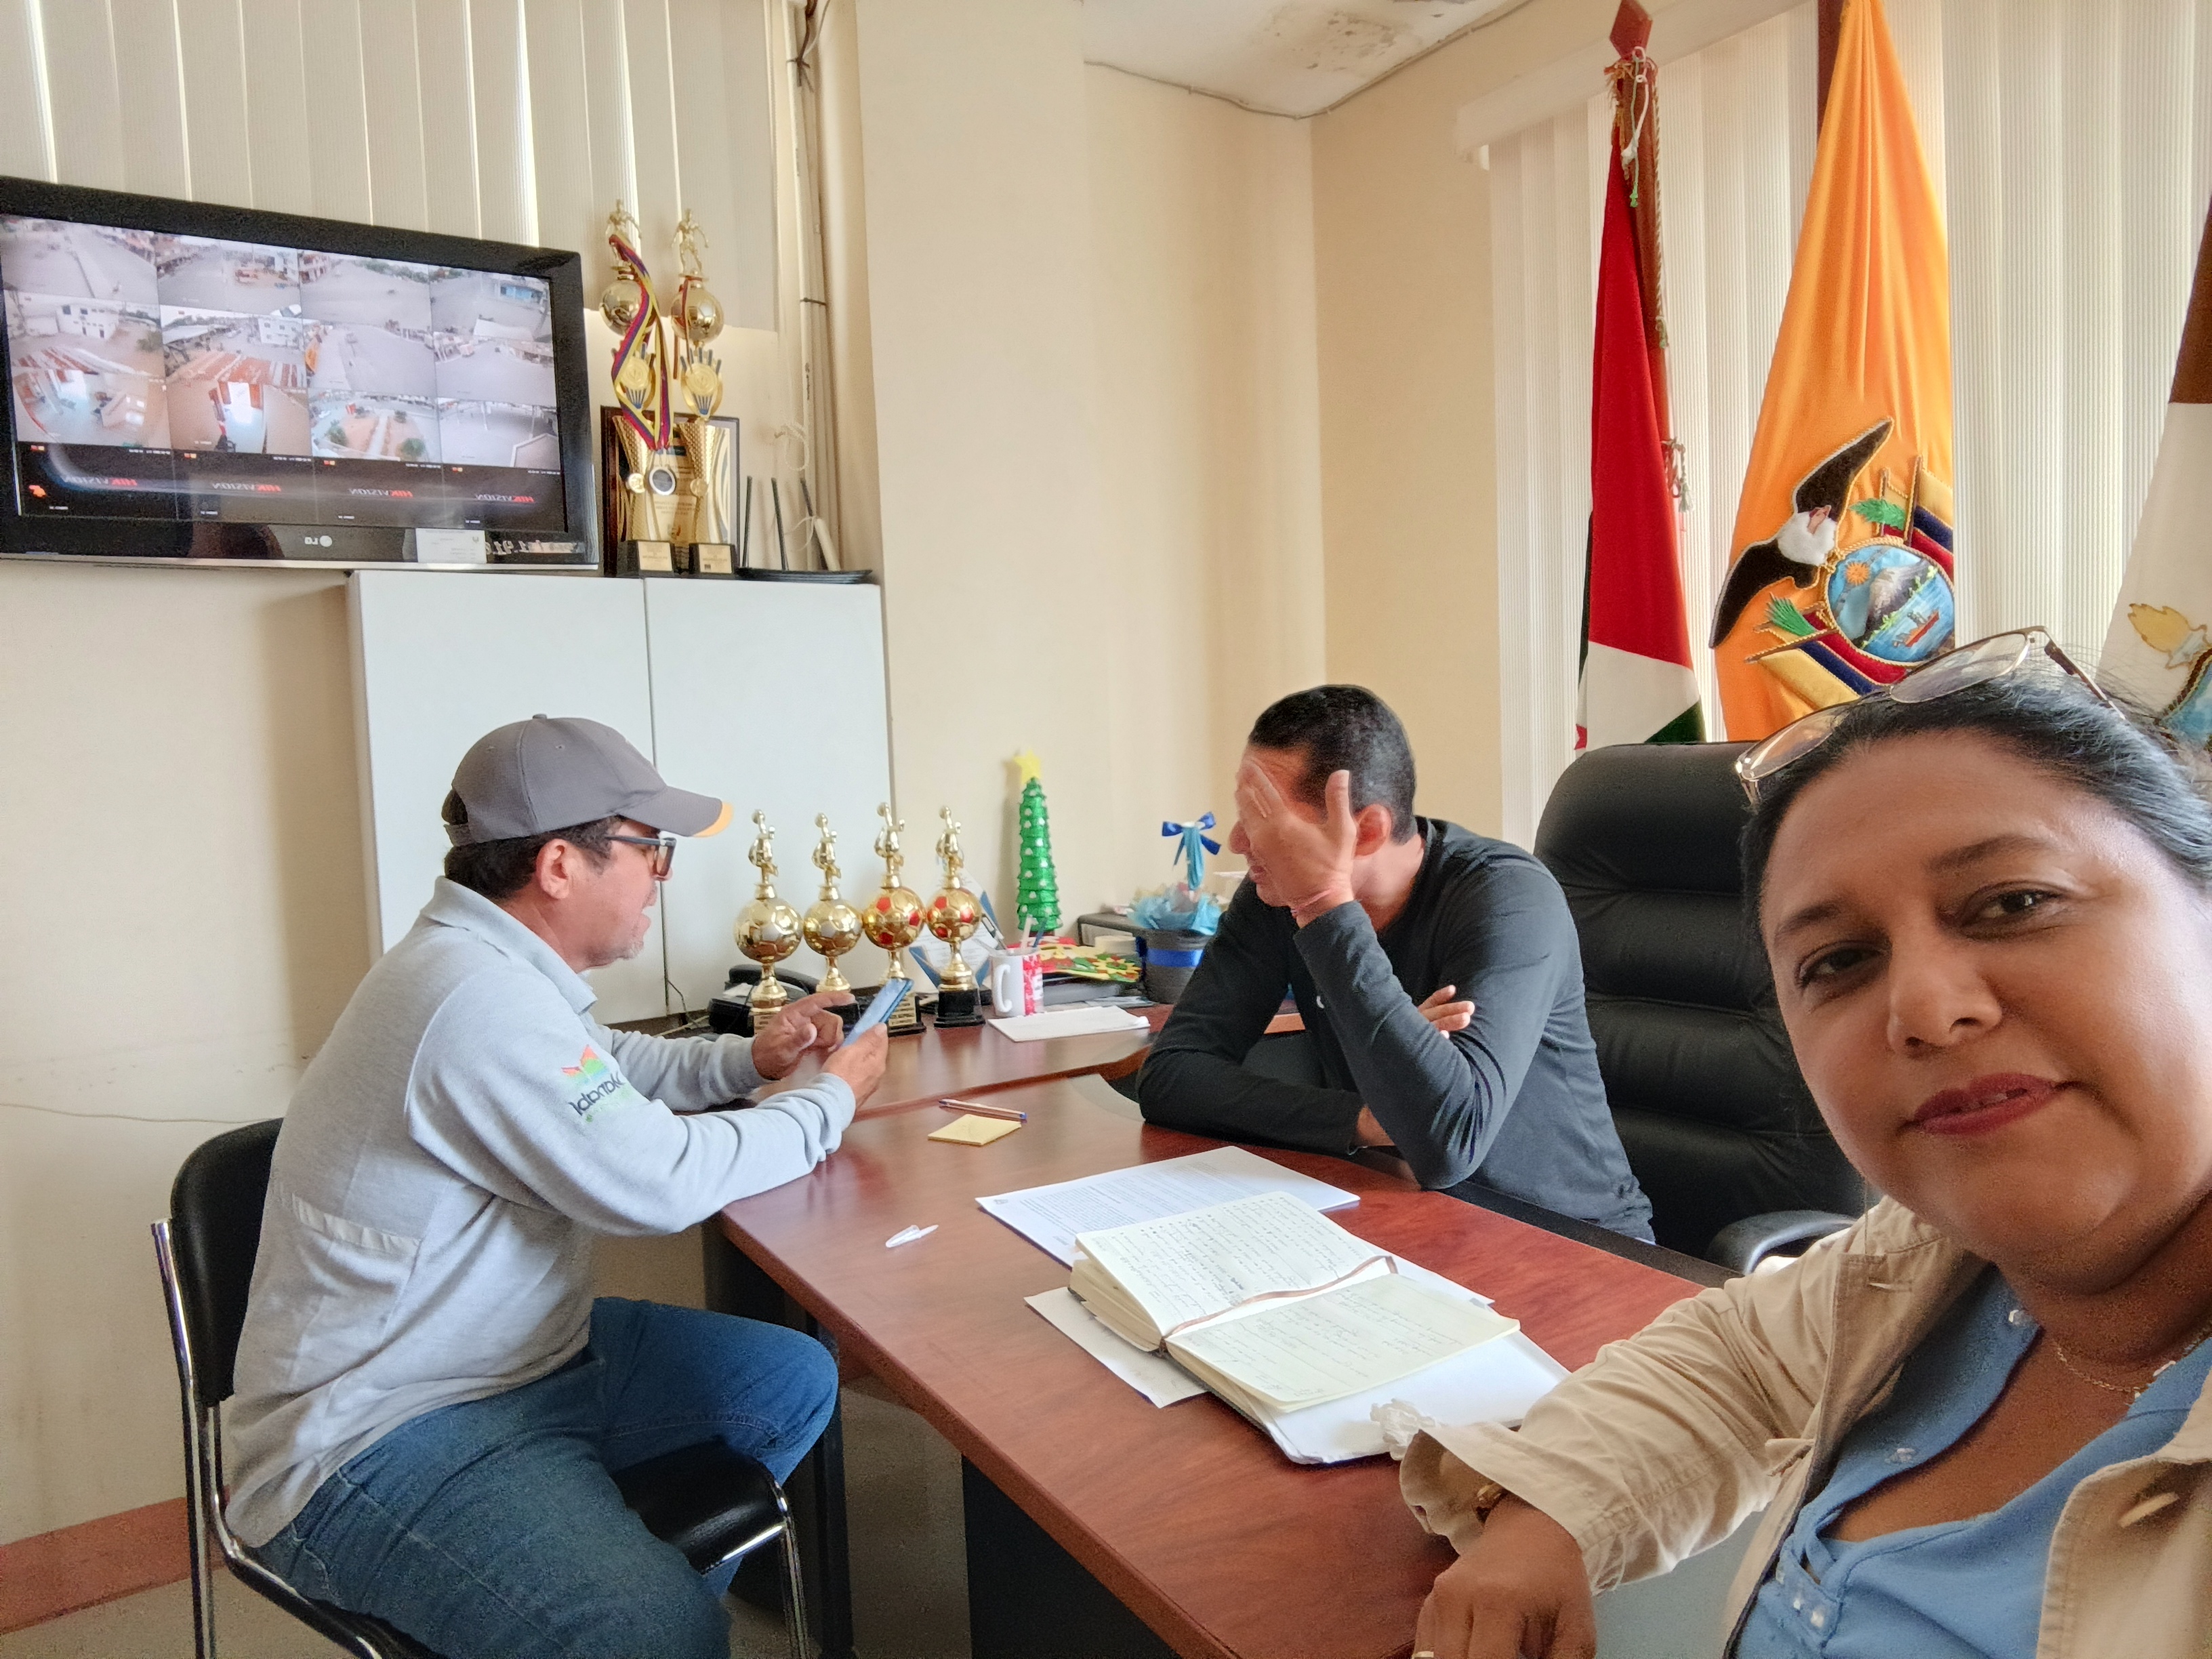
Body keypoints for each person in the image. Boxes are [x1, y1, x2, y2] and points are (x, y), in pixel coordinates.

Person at [1399, 630, 2212, 1659]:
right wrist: (1542, 1522)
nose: (1924, 1009)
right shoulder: (1938, 1262)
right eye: (1838, 961)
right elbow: (1733, 1361)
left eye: (2014, 903)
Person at [224, 714, 888, 1659]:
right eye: (650, 849)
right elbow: (661, 1182)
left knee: (787, 1380)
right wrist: (828, 1101)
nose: (661, 875)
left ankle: (588, 1610)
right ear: (560, 866)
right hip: (382, 1431)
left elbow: (604, 1065)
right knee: (655, 1631)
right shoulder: (473, 1000)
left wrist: (749, 1061)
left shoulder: (489, 966)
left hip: (521, 1360)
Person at [1139, 685, 1653, 1240]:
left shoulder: (1508, 898)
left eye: (1268, 822)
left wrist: (1323, 905)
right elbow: (1170, 1077)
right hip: (1404, 1209)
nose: (1238, 841)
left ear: (1367, 831)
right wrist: (1363, 1116)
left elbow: (1447, 1143)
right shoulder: (1274, 899)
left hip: (1569, 1239)